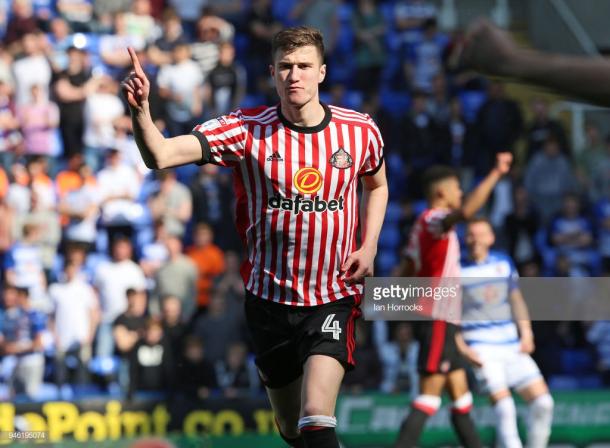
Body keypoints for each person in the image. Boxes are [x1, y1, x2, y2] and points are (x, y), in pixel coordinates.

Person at [122, 25, 388, 448]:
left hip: (331, 297)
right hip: (269, 303)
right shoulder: (245, 129)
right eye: (285, 66)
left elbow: (377, 185)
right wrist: (141, 111)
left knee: (316, 418)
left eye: (304, 66)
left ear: (322, 72)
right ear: (272, 73)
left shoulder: (359, 132)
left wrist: (369, 244)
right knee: (290, 428)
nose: (294, 75)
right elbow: (161, 155)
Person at [394, 152, 512, 448]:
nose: (461, 193)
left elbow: (406, 270)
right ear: (441, 193)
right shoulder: (434, 220)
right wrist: (496, 173)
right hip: (437, 318)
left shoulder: (420, 228)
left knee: (461, 398)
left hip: (442, 320)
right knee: (428, 397)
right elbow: (468, 211)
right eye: (457, 188)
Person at [459, 218, 554, 448]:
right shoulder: (456, 269)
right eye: (471, 235)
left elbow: (516, 300)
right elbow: (445, 314)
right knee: (505, 409)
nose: (475, 240)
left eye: (481, 234)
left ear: (491, 238)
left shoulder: (503, 262)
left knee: (544, 403)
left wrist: (527, 332)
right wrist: (462, 347)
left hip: (511, 345)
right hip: (480, 347)